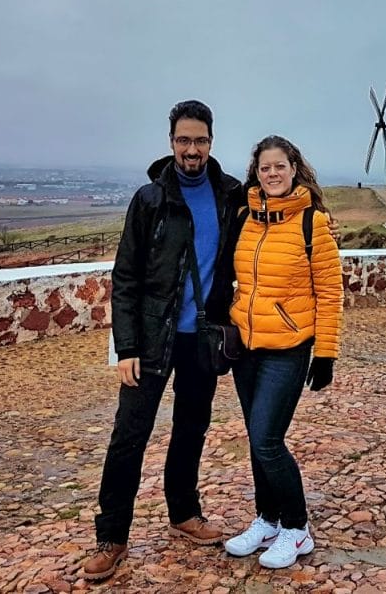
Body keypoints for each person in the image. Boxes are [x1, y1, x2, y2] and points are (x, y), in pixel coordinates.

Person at [82, 100, 245, 580]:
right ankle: (111, 537)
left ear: (211, 143)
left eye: (199, 140)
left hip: (204, 338)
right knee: (128, 437)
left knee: (192, 429)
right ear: (171, 142)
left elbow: (278, 210)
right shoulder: (149, 199)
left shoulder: (230, 194)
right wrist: (126, 347)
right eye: (183, 140)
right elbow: (126, 276)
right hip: (153, 338)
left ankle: (183, 513)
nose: (191, 149)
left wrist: (323, 224)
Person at [223, 135, 343, 569]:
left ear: (295, 169)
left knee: (269, 441)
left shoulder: (313, 223)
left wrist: (325, 354)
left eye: (280, 166)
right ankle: (267, 519)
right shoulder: (246, 218)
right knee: (257, 440)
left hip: (288, 348)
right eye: (264, 168)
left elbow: (330, 294)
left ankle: (296, 529)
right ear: (256, 172)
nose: (272, 174)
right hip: (247, 347)